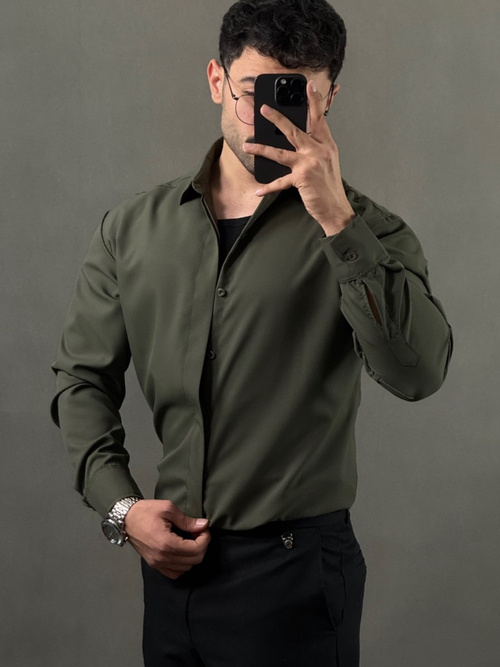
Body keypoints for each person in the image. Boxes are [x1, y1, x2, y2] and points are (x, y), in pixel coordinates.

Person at [51, 1, 453, 665]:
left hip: (296, 576)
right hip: (171, 576)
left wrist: (337, 223)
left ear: (330, 97)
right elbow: (82, 379)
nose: (268, 116)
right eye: (251, 92)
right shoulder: (132, 229)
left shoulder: (373, 234)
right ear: (216, 81)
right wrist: (121, 508)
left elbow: (418, 374)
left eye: (297, 96)